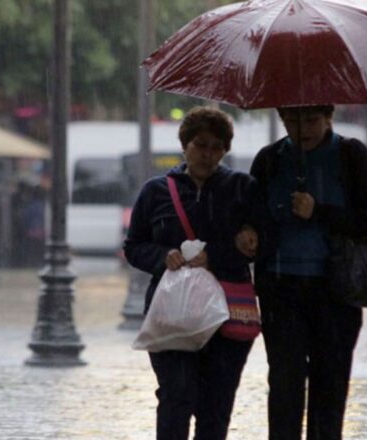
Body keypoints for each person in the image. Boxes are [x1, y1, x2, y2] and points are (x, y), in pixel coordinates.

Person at [124, 106, 266, 440]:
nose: (208, 154)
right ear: (185, 144)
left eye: (217, 147)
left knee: (215, 405)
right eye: (200, 145)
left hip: (227, 314)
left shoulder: (242, 188)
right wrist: (163, 256)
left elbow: (261, 243)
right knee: (176, 395)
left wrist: (215, 254)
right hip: (171, 313)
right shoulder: (156, 191)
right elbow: (133, 246)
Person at [249, 105, 367, 440]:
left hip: (336, 291)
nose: (302, 129)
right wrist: (250, 234)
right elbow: (250, 214)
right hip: (281, 290)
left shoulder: (351, 156)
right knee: (284, 384)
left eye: (311, 120)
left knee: (330, 385)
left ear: (328, 118)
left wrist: (319, 211)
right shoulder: (268, 160)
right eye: (292, 121)